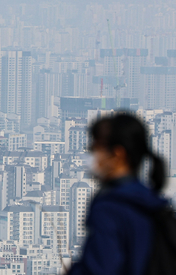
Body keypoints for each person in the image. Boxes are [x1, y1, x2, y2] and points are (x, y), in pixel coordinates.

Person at [67, 113, 168, 275]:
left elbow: (99, 268)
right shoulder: (150, 201)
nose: (91, 157)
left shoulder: (110, 208)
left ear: (117, 155)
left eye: (95, 149)